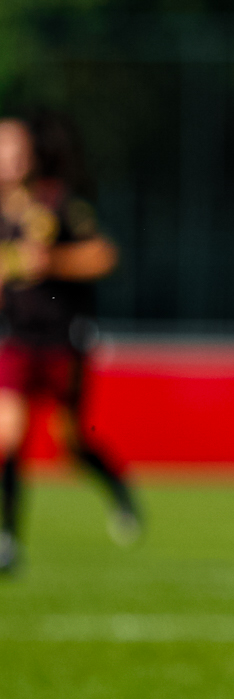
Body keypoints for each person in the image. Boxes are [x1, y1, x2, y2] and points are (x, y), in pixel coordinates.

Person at [0, 110, 138, 569]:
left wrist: (51, 263)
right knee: (9, 433)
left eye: (16, 150)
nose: (9, 160)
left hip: (62, 338)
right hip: (15, 340)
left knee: (70, 441)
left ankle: (119, 490)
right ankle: (8, 539)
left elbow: (103, 255)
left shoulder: (58, 204)